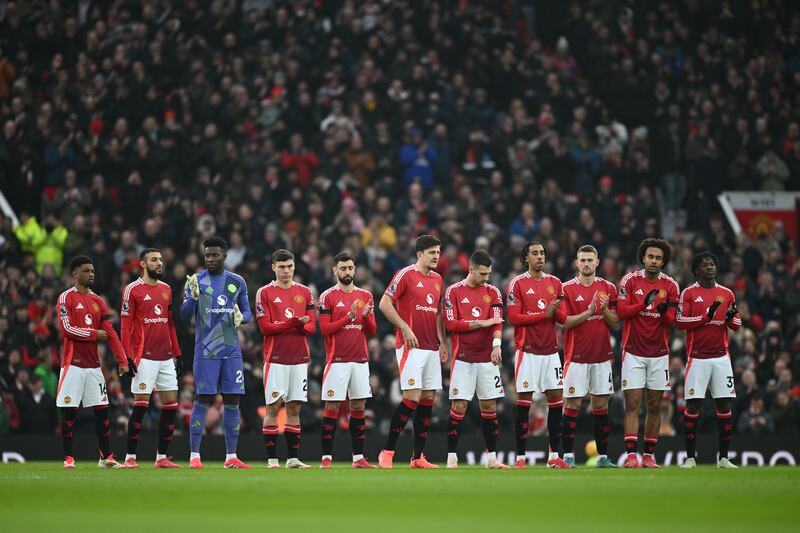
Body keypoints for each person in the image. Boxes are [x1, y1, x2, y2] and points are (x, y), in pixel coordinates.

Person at [181, 236, 252, 469]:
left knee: (232, 400)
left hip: (231, 352)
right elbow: (183, 315)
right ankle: (194, 457)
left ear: (224, 256)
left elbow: (248, 314)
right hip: (206, 351)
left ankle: (231, 456)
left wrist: (242, 318)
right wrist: (191, 297)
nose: (210, 259)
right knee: (202, 400)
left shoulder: (237, 281)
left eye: (215, 255)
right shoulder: (196, 281)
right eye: (207, 255)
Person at [378, 235, 448, 468]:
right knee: (412, 398)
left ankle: (418, 457)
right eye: (432, 252)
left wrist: (443, 342)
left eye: (438, 252)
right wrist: (405, 328)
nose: (436, 256)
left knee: (428, 399)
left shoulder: (438, 279)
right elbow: (384, 303)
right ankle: (387, 451)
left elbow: (438, 313)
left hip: (431, 347)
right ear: (419, 255)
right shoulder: (405, 274)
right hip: (411, 346)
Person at [56, 255, 131, 468]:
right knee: (70, 412)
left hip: (93, 366)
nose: (91, 274)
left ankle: (105, 457)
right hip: (72, 364)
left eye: (93, 271)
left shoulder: (98, 301)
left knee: (102, 411)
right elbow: (66, 329)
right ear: (75, 274)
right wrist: (92, 334)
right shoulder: (66, 298)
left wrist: (122, 359)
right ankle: (68, 458)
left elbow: (109, 333)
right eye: (87, 271)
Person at [616, 238, 680, 468]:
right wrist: (643, 304)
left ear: (664, 262)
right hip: (632, 351)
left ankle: (649, 456)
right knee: (632, 405)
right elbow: (622, 312)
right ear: (643, 258)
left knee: (654, 406)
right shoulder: (629, 281)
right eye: (650, 257)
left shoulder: (671, 286)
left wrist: (663, 313)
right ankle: (632, 455)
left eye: (658, 258)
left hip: (659, 353)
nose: (653, 261)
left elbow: (672, 321)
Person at [443, 251, 508, 469]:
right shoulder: (453, 292)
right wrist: (482, 323)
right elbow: (451, 325)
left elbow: (497, 322)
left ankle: (492, 459)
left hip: (487, 359)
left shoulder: (494, 292)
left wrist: (496, 345)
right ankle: (451, 457)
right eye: (482, 274)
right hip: (463, 358)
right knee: (459, 406)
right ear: (470, 269)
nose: (486, 278)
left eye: (488, 273)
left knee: (489, 406)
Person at [506, 242, 569, 468]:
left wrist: (589, 312)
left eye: (542, 253)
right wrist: (544, 315)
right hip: (527, 351)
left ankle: (554, 457)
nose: (540, 257)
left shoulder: (555, 283)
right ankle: (521, 458)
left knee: (556, 401)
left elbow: (561, 317)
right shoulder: (517, 284)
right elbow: (514, 318)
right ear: (526, 259)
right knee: (524, 403)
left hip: (551, 352)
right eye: (535, 253)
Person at [676, 252, 741, 469]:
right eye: (705, 265)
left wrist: (732, 319)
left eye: (712, 264)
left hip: (721, 358)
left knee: (724, 404)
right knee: (693, 406)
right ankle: (690, 458)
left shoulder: (727, 293)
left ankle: (723, 458)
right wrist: (706, 317)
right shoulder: (689, 293)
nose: (710, 267)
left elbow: (736, 324)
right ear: (697, 270)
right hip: (697, 358)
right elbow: (680, 321)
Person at [559, 245, 620, 468]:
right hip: (575, 357)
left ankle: (602, 457)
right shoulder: (566, 289)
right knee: (572, 404)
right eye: (582, 260)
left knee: (601, 406)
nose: (586, 264)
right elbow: (564, 322)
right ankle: (567, 456)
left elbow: (615, 323)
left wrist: (603, 310)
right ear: (577, 263)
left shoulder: (608, 287)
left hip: (602, 357)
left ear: (597, 262)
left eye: (589, 260)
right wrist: (589, 310)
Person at [121, 248, 182, 468]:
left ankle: (161, 458)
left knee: (171, 405)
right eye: (154, 260)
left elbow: (170, 324)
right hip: (143, 357)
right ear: (143, 264)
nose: (159, 263)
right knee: (141, 406)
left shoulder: (166, 289)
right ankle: (130, 458)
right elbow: (126, 326)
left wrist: (177, 353)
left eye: (161, 260)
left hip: (165, 357)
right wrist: (125, 357)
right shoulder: (132, 290)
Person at [255, 249, 316, 469]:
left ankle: (292, 459)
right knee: (273, 407)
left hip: (299, 359)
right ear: (273, 268)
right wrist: (293, 324)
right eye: (281, 267)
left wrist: (301, 325)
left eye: (290, 266)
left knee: (294, 408)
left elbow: (311, 328)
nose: (286, 271)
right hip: (275, 359)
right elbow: (265, 328)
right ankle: (272, 460)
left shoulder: (305, 292)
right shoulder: (264, 292)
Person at [317, 252, 378, 468]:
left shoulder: (365, 295)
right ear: (335, 270)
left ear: (355, 269)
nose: (347, 272)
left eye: (350, 268)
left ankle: (358, 458)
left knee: (359, 407)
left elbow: (371, 331)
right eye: (342, 268)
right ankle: (326, 458)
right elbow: (325, 329)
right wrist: (350, 316)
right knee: (332, 407)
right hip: (337, 360)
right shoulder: (327, 297)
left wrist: (365, 316)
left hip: (360, 360)